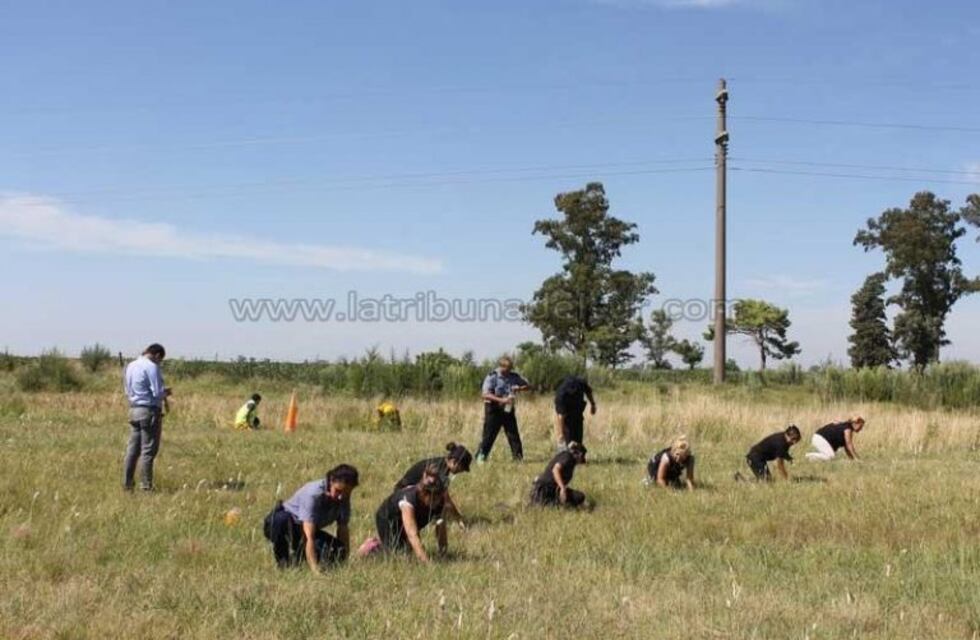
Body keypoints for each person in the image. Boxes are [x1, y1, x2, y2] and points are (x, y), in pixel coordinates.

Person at [263, 464, 359, 571]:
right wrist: (315, 569)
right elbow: (310, 537)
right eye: (338, 491)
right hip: (284, 525)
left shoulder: (343, 499)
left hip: (305, 532)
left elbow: (343, 529)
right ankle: (284, 565)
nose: (341, 496)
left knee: (338, 551)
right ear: (331, 481)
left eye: (346, 493)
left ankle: (299, 558)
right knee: (281, 521)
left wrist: (344, 560)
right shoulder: (313, 495)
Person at [371, 465, 449, 563]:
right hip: (388, 519)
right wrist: (426, 563)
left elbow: (441, 529)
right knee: (396, 555)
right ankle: (372, 546)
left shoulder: (440, 501)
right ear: (424, 494)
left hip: (414, 517)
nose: (436, 502)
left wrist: (443, 553)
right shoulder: (408, 500)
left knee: (408, 551)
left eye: (438, 499)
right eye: (433, 499)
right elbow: (412, 534)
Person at [122, 343, 171, 491]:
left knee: (132, 450)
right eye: (160, 360)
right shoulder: (152, 366)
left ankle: (127, 484)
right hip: (149, 411)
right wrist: (166, 392)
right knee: (148, 451)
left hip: (134, 410)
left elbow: (127, 390)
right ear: (157, 355)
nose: (159, 363)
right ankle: (146, 486)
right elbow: (157, 392)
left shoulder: (130, 366)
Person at [394, 442, 472, 521]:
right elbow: (446, 498)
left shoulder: (442, 465)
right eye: (461, 468)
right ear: (454, 462)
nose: (461, 472)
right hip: (403, 495)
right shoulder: (438, 470)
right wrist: (458, 518)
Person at [475, 356, 530, 463]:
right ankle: (481, 456)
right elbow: (485, 394)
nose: (509, 371)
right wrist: (502, 400)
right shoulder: (492, 376)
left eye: (510, 368)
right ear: (501, 366)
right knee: (489, 434)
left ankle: (518, 458)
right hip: (493, 408)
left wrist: (519, 388)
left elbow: (528, 386)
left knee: (513, 433)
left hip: (508, 409)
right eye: (507, 369)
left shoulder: (514, 376)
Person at [530, 442, 588, 508]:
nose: (583, 458)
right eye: (582, 455)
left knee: (579, 496)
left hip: (554, 490)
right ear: (577, 454)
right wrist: (562, 488)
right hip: (544, 490)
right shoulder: (567, 457)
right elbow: (555, 470)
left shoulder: (569, 460)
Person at [553, 375, 596, 450]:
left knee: (578, 436)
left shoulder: (580, 383)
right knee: (568, 441)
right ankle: (566, 451)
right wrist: (561, 435)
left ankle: (577, 453)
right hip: (568, 415)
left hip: (577, 411)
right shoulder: (561, 397)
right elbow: (561, 417)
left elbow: (588, 391)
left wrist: (592, 404)